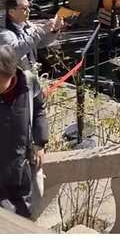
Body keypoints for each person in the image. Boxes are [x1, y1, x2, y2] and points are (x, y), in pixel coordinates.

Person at [0, 45, 48, 219]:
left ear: (11, 75)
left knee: (22, 219)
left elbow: (40, 109)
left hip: (20, 169)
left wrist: (40, 142)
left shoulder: (27, 83)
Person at [0, 0, 63, 71]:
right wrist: (41, 31)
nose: (29, 10)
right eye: (24, 8)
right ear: (11, 12)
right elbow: (15, 52)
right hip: (14, 76)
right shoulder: (3, 33)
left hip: (30, 72)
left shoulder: (26, 24)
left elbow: (40, 43)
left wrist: (54, 30)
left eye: (29, 7)